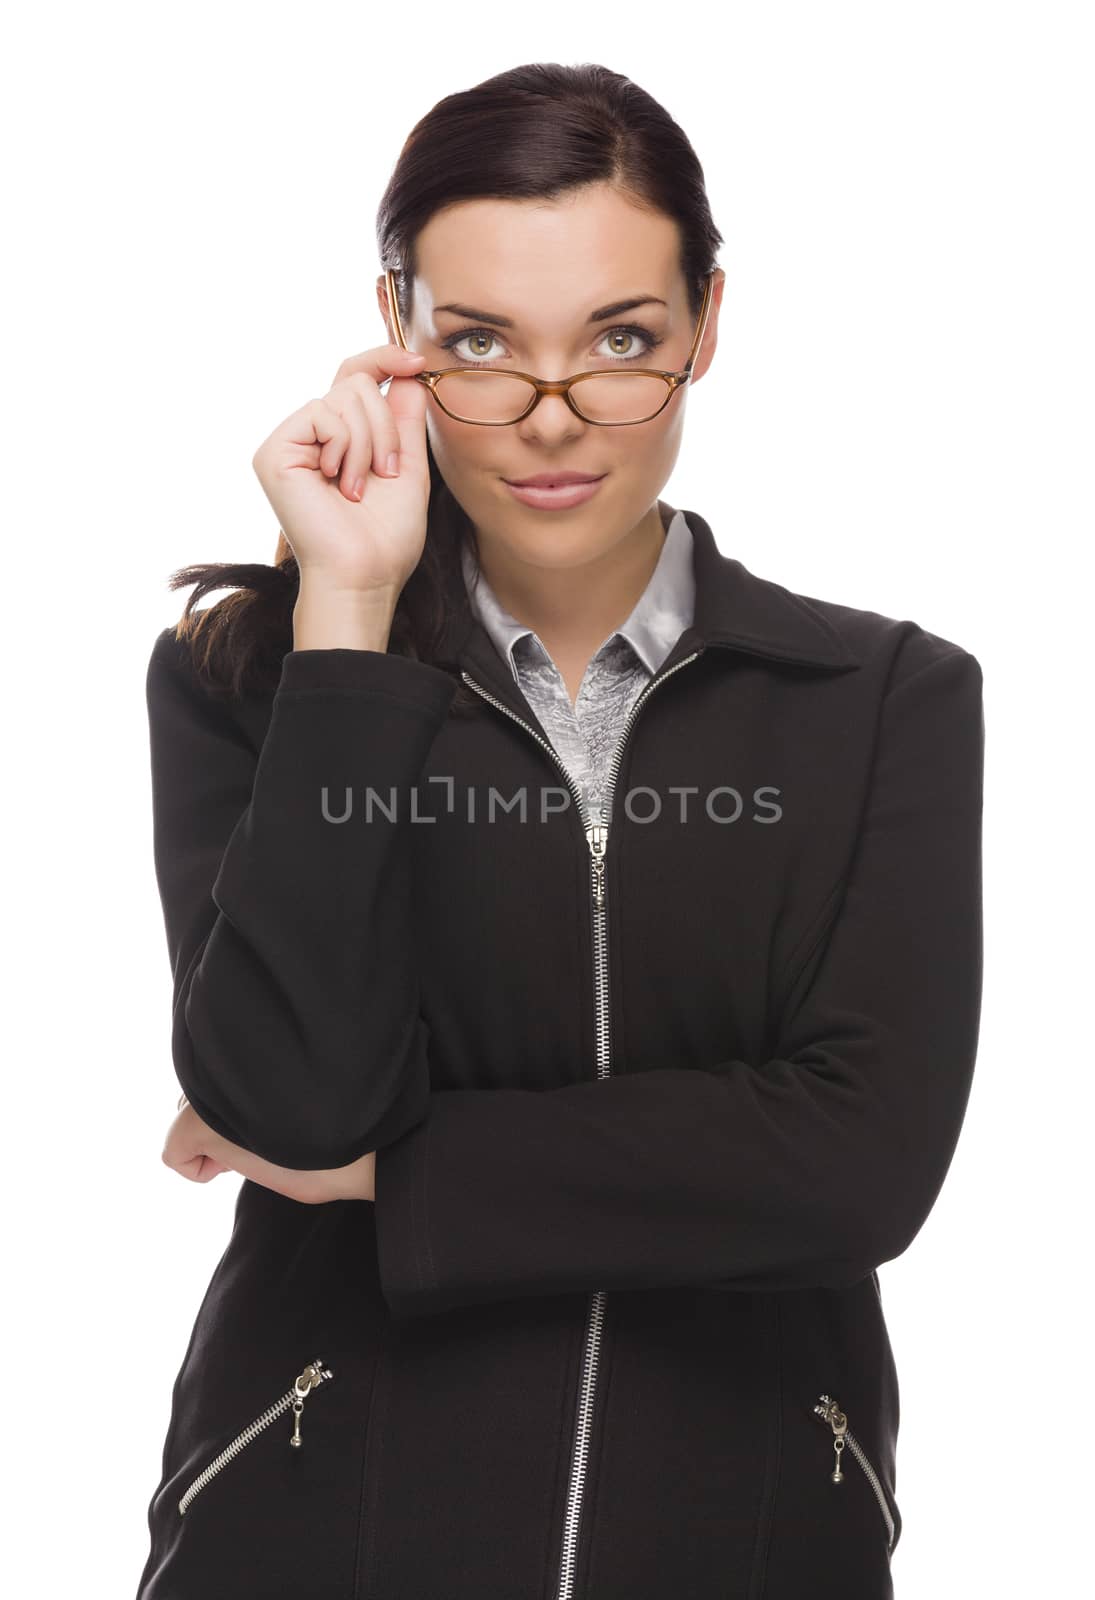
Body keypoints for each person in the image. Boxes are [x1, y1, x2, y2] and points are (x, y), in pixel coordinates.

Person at [134, 61, 984, 1600]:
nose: (551, 418)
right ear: (398, 328)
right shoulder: (260, 680)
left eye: (622, 342)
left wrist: (393, 1182)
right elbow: (295, 1105)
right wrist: (346, 619)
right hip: (317, 1539)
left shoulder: (881, 699)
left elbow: (861, 1167)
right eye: (478, 343)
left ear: (708, 324)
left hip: (747, 1541)